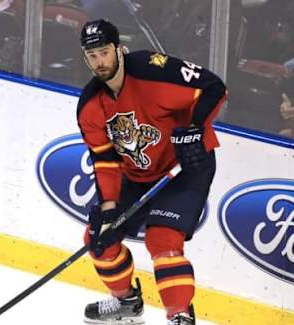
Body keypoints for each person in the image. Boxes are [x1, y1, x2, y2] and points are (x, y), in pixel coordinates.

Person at [76, 19, 227, 325]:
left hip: (185, 167)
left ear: (119, 49)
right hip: (136, 175)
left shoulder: (151, 70)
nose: (99, 62)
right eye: (92, 56)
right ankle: (127, 302)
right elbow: (104, 160)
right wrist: (108, 209)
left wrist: (194, 130)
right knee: (98, 239)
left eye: (104, 52)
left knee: (162, 240)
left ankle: (180, 315)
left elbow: (213, 88)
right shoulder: (90, 105)